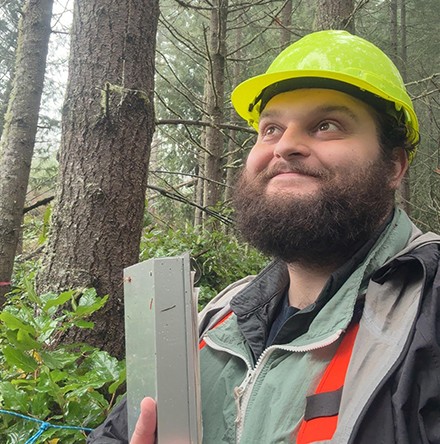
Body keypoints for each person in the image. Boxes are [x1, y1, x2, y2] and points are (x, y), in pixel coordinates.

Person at [87, 30, 440, 444]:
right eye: (270, 128)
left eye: (327, 125)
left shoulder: (428, 309)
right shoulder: (216, 319)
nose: (285, 145)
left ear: (394, 166)